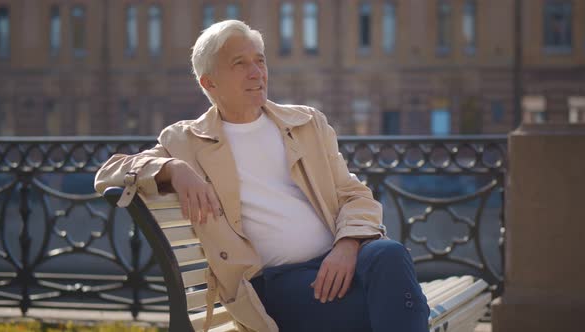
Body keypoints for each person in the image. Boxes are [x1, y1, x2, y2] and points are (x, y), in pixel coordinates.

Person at [95, 20, 429, 332]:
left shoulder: (306, 123)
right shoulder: (185, 141)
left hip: (339, 261)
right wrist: (172, 168)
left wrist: (347, 244)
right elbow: (110, 173)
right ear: (208, 82)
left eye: (260, 61)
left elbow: (354, 194)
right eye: (240, 63)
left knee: (390, 255)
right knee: (394, 306)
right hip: (276, 285)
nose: (257, 73)